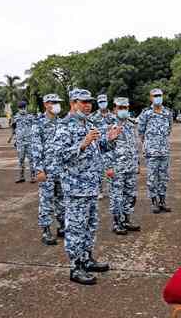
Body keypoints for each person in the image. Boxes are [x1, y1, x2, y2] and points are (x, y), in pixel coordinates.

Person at [59, 89, 121, 285]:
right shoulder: (64, 127)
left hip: (91, 186)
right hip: (76, 188)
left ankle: (86, 259)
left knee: (90, 226)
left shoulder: (89, 123)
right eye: (83, 102)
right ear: (72, 103)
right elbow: (59, 156)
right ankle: (75, 267)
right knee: (76, 228)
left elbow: (98, 148)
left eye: (89, 102)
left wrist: (108, 139)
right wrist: (82, 144)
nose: (87, 105)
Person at [31, 94, 66, 245]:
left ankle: (62, 226)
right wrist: (39, 170)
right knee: (46, 201)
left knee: (62, 200)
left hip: (62, 169)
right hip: (47, 169)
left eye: (58, 102)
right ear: (46, 105)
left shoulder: (62, 123)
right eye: (53, 102)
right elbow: (36, 148)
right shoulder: (38, 124)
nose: (57, 105)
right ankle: (46, 231)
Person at [105, 97, 141, 235]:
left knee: (130, 195)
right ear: (114, 109)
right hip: (116, 167)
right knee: (116, 196)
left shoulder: (131, 124)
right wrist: (108, 167)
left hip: (130, 167)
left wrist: (136, 163)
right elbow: (106, 148)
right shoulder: (109, 125)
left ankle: (126, 219)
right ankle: (116, 223)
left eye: (125, 108)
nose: (123, 110)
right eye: (120, 108)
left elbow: (134, 145)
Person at [138, 88, 173, 214]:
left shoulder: (168, 113)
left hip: (164, 150)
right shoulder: (146, 113)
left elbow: (169, 129)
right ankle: (154, 202)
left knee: (163, 177)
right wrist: (148, 145)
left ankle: (162, 201)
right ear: (151, 98)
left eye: (160, 95)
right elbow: (141, 132)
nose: (158, 97)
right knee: (152, 177)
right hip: (151, 152)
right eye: (155, 95)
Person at [89, 94, 117, 200]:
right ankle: (99, 190)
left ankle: (112, 190)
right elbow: (91, 130)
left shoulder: (113, 116)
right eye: (100, 102)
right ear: (97, 103)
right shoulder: (92, 117)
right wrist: (107, 127)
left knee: (111, 168)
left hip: (111, 146)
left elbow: (117, 129)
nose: (102, 104)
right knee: (98, 170)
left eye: (104, 101)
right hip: (98, 146)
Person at [9, 101, 36, 183]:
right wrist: (11, 137)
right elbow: (13, 128)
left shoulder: (31, 117)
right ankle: (21, 177)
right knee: (21, 160)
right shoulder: (15, 117)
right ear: (18, 108)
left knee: (31, 159)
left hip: (29, 141)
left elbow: (35, 127)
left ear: (26, 107)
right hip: (20, 142)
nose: (23, 109)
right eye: (21, 108)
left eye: (24, 107)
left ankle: (33, 177)